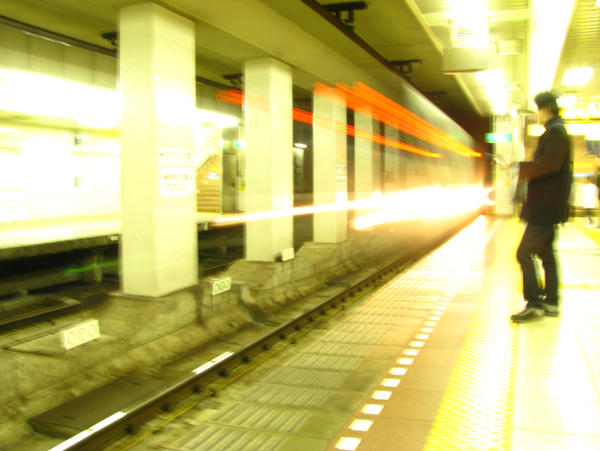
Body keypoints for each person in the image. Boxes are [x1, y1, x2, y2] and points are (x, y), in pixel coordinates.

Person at [511, 91, 573, 322]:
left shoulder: (556, 134)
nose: (536, 114)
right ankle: (552, 302)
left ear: (546, 108)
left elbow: (548, 166)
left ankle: (534, 303)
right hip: (549, 206)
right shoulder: (556, 132)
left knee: (524, 253)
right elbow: (546, 164)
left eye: (537, 109)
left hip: (545, 207)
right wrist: (522, 165)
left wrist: (521, 168)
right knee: (547, 254)